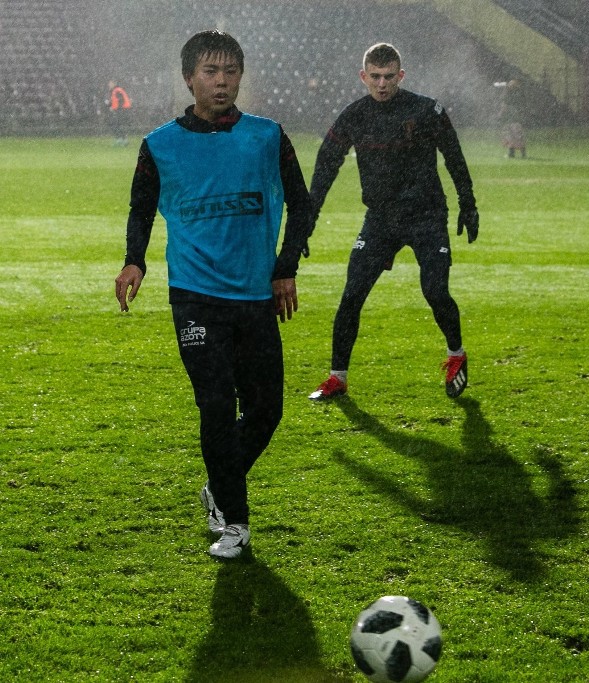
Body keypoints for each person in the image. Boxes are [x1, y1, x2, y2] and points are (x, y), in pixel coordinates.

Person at [113, 30, 313, 557]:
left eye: (229, 71)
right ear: (189, 78)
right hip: (195, 296)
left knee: (267, 410)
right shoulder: (160, 144)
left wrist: (285, 267)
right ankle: (236, 523)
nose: (220, 81)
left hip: (255, 296)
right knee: (217, 405)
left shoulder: (268, 136)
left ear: (241, 76)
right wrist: (135, 259)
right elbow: (141, 207)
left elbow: (302, 204)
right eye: (209, 72)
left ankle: (219, 484)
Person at [307, 43, 479, 401]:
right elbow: (326, 166)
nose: (382, 84)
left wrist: (468, 203)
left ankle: (456, 354)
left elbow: (454, 156)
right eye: (375, 77)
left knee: (434, 290)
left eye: (388, 77)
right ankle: (337, 377)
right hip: (381, 220)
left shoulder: (426, 110)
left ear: (401, 75)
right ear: (363, 76)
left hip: (426, 216)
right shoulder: (353, 116)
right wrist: (306, 221)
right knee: (352, 294)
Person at [108, 81, 132, 146]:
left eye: (110, 84)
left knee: (117, 125)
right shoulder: (116, 90)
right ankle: (122, 140)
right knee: (118, 125)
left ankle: (122, 140)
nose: (109, 85)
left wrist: (117, 109)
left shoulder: (117, 90)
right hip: (122, 110)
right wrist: (110, 105)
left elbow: (120, 100)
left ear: (114, 84)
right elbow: (115, 101)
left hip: (122, 110)